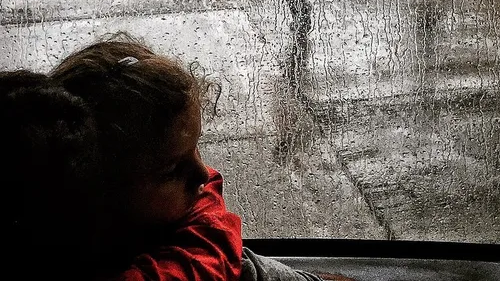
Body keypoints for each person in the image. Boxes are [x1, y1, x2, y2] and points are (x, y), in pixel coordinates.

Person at [2, 33, 341, 281]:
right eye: (171, 169)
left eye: (195, 149)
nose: (204, 174)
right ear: (96, 185)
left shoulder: (188, 225)